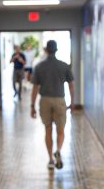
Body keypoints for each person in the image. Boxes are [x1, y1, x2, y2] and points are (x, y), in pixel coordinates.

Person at [30, 39, 75, 170]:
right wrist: (72, 103)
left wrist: (32, 106)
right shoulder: (64, 66)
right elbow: (71, 86)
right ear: (56, 50)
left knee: (48, 130)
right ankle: (59, 150)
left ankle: (50, 159)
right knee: (60, 131)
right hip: (59, 100)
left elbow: (34, 88)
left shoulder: (39, 66)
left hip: (45, 100)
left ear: (46, 50)